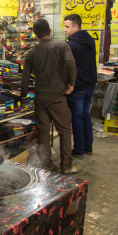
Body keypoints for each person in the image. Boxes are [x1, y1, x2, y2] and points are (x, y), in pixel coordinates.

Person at [20, 19, 82, 174]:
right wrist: (71, 83)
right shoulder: (62, 46)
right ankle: (66, 166)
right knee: (65, 132)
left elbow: (25, 78)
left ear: (35, 35)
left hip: (40, 98)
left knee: (43, 132)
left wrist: (22, 96)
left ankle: (47, 164)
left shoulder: (31, 52)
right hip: (57, 98)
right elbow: (71, 63)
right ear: (50, 30)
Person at [63, 13, 97, 158]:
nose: (65, 30)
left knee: (77, 119)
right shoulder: (90, 41)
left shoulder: (70, 45)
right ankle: (88, 147)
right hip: (90, 85)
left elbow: (67, 67)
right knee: (85, 116)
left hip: (77, 87)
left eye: (67, 26)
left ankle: (78, 150)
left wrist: (68, 83)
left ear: (76, 27)